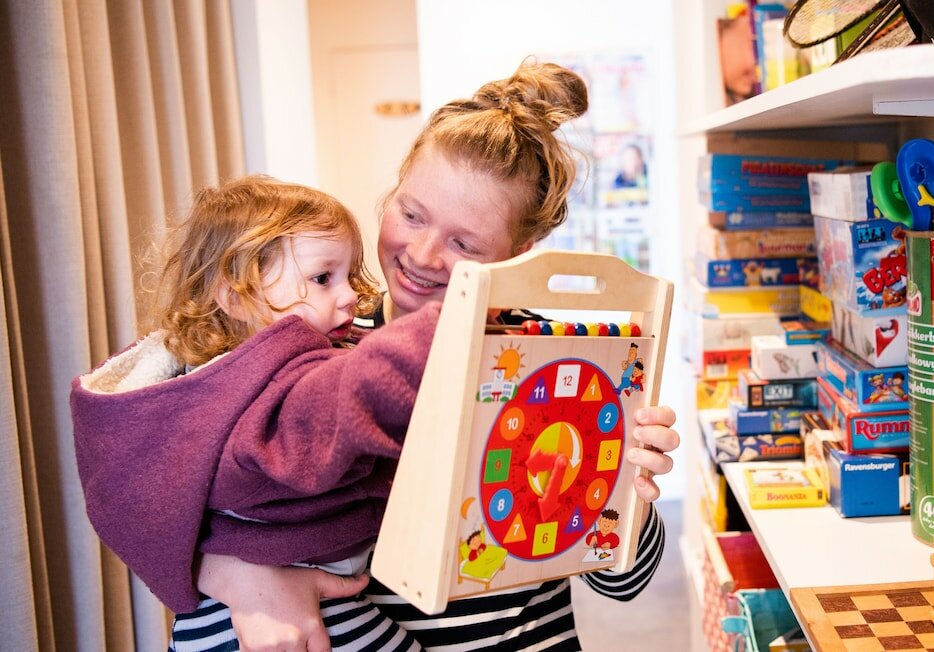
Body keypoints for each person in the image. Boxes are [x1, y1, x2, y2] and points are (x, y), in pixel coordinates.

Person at [195, 60, 681, 652]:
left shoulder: (554, 360)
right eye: (411, 214)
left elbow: (623, 581)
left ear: (520, 252)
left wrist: (626, 481)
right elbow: (181, 496)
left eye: (463, 242)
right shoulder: (314, 344)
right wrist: (236, 573)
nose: (422, 255)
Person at [69, 175, 442, 651]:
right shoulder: (280, 384)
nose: (349, 295)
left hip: (222, 615)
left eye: (349, 275)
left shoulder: (204, 384)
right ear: (237, 297)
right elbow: (334, 399)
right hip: (305, 610)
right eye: (323, 278)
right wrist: (433, 338)